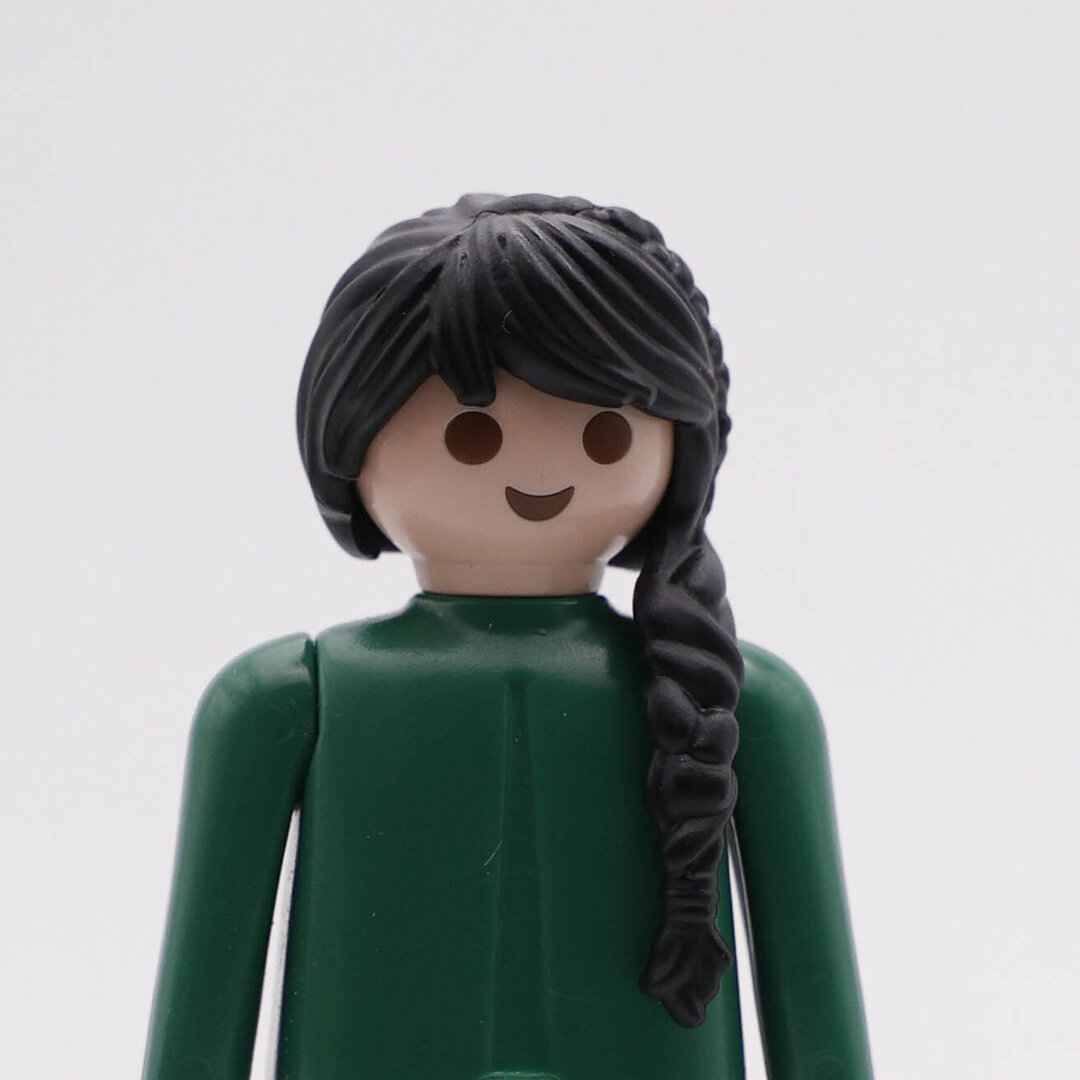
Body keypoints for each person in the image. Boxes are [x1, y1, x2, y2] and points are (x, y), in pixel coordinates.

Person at [143, 194, 873, 1080]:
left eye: (605, 433)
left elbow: (818, 1015)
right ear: (348, 437)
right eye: (471, 434)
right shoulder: (288, 700)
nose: (539, 470)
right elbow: (203, 1010)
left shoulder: (741, 702)